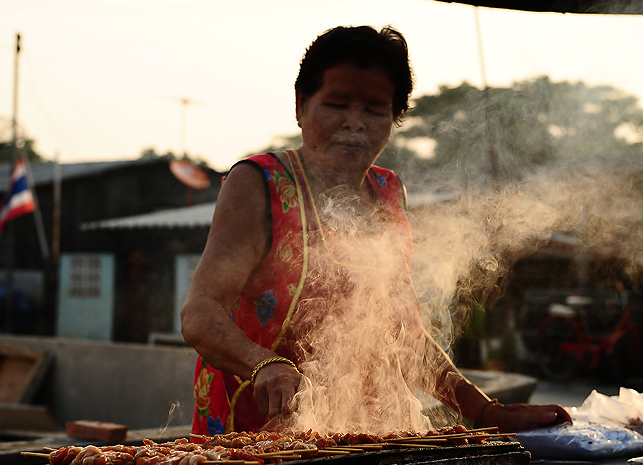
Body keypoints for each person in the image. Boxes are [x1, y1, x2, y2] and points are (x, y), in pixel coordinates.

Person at [181, 25, 571, 436]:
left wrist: (486, 412)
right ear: (301, 106)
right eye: (336, 104)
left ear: (393, 118)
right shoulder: (259, 183)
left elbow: (402, 334)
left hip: (357, 441)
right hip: (251, 444)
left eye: (374, 109)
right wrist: (264, 363)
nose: (355, 124)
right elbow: (200, 314)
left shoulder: (388, 192)